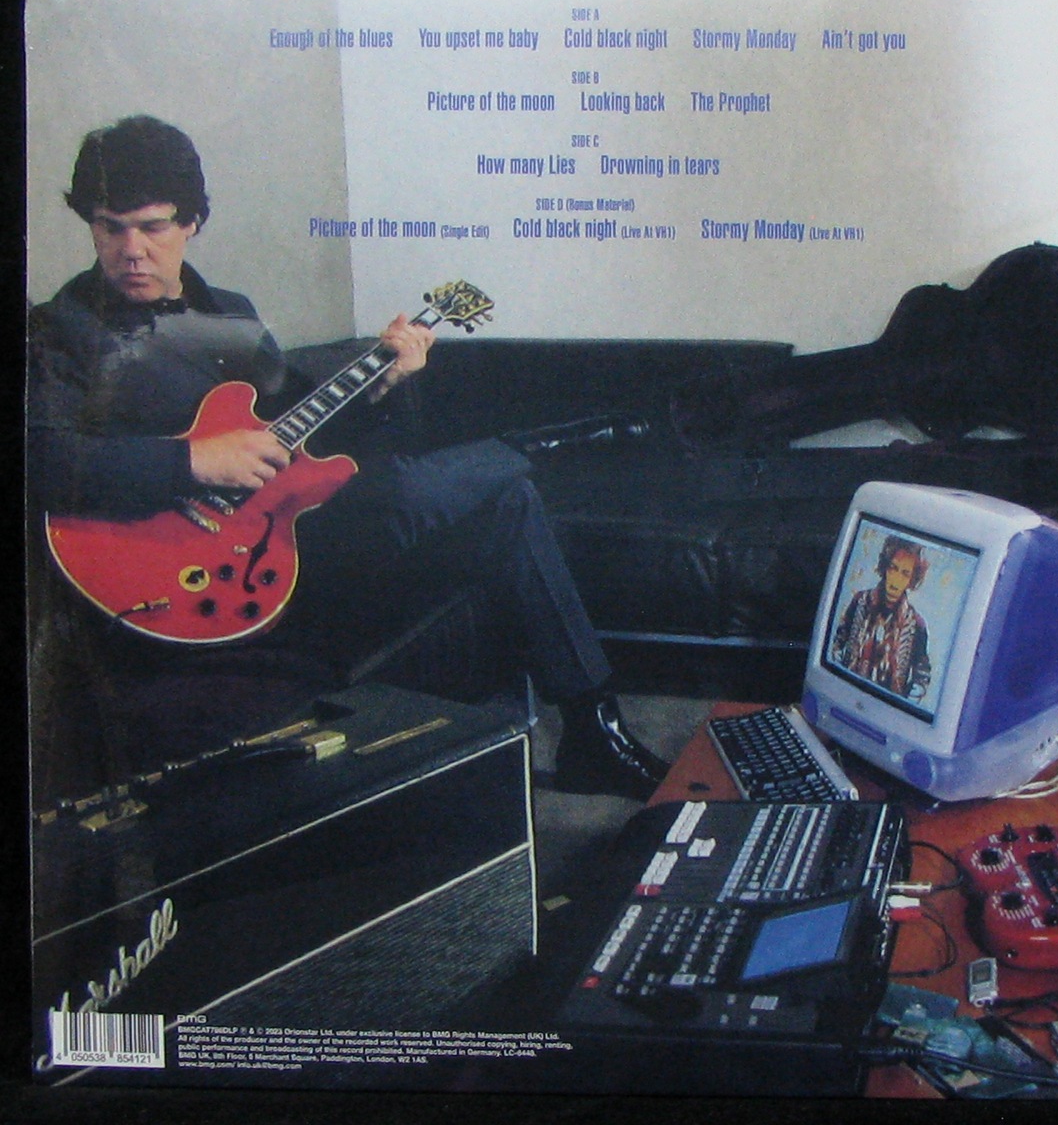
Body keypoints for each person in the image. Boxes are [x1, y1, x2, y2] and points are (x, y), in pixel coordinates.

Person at [27, 114, 668, 799]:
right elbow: (38, 457)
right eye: (109, 227)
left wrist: (382, 384)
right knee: (420, 490)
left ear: (192, 222)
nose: (130, 250)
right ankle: (542, 444)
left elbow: (307, 442)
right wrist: (193, 464)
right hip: (181, 579)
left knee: (505, 501)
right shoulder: (58, 333)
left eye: (152, 227)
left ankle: (594, 730)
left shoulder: (230, 316)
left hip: (287, 544)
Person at [831, 534, 931, 701]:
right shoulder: (860, 601)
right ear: (885, 567)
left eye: (905, 574)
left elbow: (922, 678)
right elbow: (837, 643)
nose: (895, 581)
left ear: (912, 580)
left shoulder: (916, 625)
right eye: (893, 568)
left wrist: (903, 702)